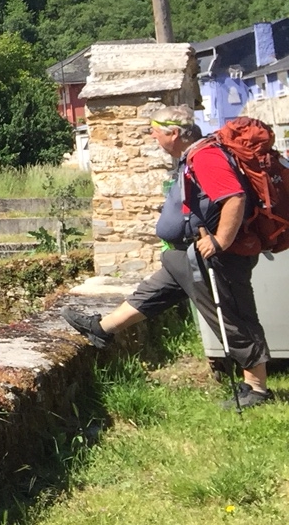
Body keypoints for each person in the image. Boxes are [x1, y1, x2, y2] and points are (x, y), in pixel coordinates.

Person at [63, 105, 273, 408]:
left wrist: (220, 241)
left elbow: (233, 197)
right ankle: (102, 329)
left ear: (174, 133)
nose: (151, 135)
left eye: (156, 130)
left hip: (213, 258)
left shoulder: (206, 156)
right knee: (151, 293)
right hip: (185, 256)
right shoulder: (195, 155)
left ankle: (256, 389)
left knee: (232, 317)